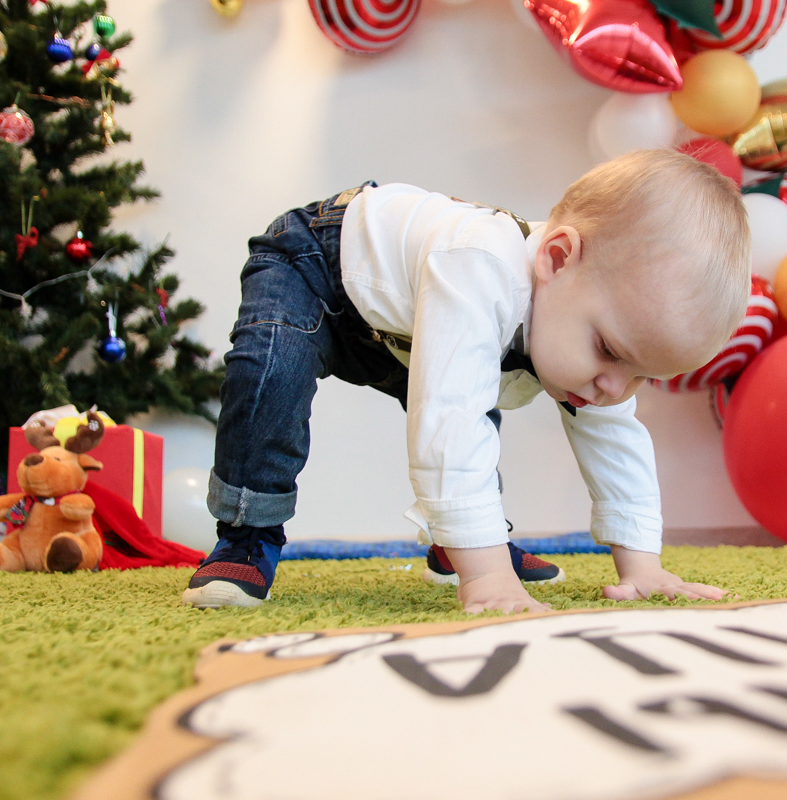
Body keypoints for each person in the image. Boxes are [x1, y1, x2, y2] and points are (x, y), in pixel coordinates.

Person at [182, 149, 751, 614]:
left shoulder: (595, 334)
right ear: (556, 258)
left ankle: (459, 546)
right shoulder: (482, 265)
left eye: (642, 377)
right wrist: (491, 580)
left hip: (399, 329)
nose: (613, 387)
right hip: (316, 267)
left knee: (476, 392)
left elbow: (615, 440)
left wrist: (642, 565)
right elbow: (450, 418)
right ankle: (246, 534)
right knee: (270, 375)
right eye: (608, 351)